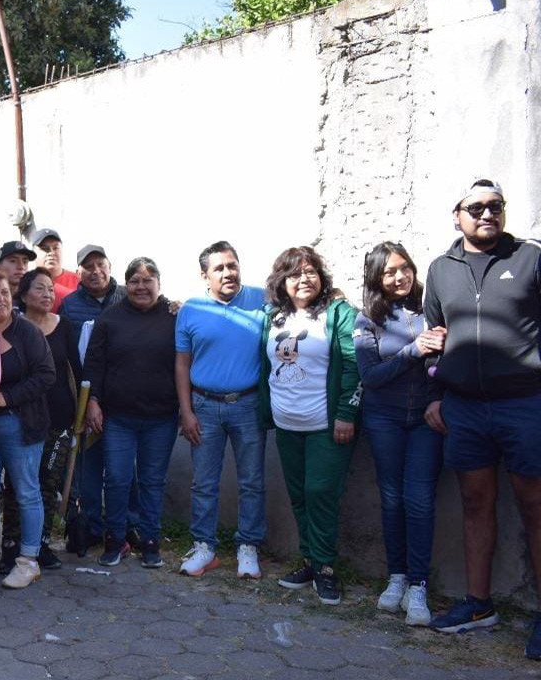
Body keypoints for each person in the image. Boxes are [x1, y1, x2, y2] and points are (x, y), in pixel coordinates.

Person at [423, 180, 541, 658]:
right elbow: (433, 337)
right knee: (475, 502)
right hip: (464, 407)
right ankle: (477, 604)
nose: (488, 214)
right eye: (477, 207)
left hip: (525, 403)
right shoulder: (440, 269)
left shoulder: (530, 259)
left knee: (535, 507)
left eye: (496, 206)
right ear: (458, 215)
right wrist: (435, 394)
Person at [259, 246, 360, 606]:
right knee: (299, 494)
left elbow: (352, 365)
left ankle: (326, 568)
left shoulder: (338, 313)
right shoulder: (271, 317)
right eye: (294, 273)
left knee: (320, 492)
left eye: (310, 272)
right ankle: (309, 560)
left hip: (326, 425)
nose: (303, 279)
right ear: (281, 282)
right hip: (286, 424)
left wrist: (347, 413)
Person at [353, 242, 442, 625]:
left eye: (404, 267)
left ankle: (419, 585)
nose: (399, 276)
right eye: (389, 271)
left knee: (419, 499)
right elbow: (370, 377)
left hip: (426, 419)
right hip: (384, 419)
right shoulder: (366, 320)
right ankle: (397, 577)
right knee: (392, 499)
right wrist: (412, 352)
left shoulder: (429, 308)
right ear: (376, 278)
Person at [174, 240, 267, 579]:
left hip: (248, 404)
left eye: (232, 265)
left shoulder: (262, 299)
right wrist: (186, 411)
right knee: (203, 482)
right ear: (205, 276)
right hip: (204, 407)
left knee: (252, 480)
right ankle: (204, 547)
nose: (228, 272)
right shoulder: (191, 310)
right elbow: (182, 364)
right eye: (219, 268)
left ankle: (248, 547)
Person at [83, 258, 179, 569]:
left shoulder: (175, 316)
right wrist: (93, 401)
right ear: (126, 285)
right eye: (134, 281)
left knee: (152, 481)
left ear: (159, 284)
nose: (141, 286)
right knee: (117, 480)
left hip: (161, 417)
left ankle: (151, 541)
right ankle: (115, 539)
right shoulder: (109, 318)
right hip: (118, 418)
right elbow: (94, 364)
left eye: (147, 280)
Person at [0, 271, 54, 590]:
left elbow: (47, 375)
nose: (0, 299)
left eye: (5, 292)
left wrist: (8, 396)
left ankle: (28, 561)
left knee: (26, 491)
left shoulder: (28, 332)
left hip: (21, 424)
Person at [59, 245, 132, 555]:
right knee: (88, 468)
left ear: (109, 266)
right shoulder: (71, 305)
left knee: (125, 469)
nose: (95, 271)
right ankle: (92, 527)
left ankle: (128, 527)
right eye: (87, 266)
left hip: (124, 395)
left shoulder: (129, 296)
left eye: (99, 264)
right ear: (79, 273)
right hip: (85, 397)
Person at [12, 269, 80, 571]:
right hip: (22, 418)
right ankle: (13, 545)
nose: (48, 294)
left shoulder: (63, 325)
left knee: (47, 484)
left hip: (59, 418)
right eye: (40, 289)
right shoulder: (12, 326)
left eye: (51, 289)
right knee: (19, 485)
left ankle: (40, 544)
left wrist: (86, 409)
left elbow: (77, 371)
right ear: (24, 295)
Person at [30, 228, 80, 312]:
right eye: (45, 249)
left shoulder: (79, 281)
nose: (51, 253)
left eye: (55, 248)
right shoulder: (26, 282)